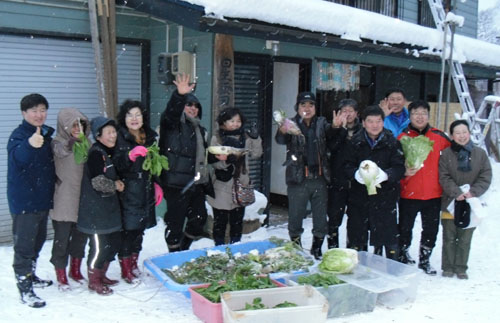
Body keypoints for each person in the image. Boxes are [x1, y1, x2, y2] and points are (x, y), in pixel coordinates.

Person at [7, 93, 55, 308]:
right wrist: (30, 143)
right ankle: (25, 290)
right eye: (34, 110)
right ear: (24, 113)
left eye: (42, 110)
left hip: (42, 200)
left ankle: (31, 275)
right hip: (25, 202)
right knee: (24, 247)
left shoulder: (45, 135)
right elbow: (20, 157)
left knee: (37, 242)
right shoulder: (18, 136)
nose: (39, 114)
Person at [275, 91, 335, 260]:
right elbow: (280, 140)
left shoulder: (322, 123)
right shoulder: (290, 123)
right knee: (295, 216)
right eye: (303, 105)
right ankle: (296, 248)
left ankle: (317, 248)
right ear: (297, 107)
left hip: (320, 179)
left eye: (311, 105)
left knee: (320, 218)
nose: (307, 108)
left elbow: (332, 136)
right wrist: (282, 130)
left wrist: (337, 126)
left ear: (316, 107)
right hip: (298, 178)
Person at [159, 74, 212, 252]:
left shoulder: (200, 129)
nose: (193, 108)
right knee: (175, 222)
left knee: (199, 219)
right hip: (175, 183)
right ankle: (173, 254)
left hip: (195, 182)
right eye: (189, 104)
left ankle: (183, 247)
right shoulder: (172, 125)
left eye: (196, 106)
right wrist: (179, 96)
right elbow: (171, 113)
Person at [343, 105, 405, 259]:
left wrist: (386, 175)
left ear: (383, 123)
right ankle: (357, 266)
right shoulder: (355, 142)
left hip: (385, 198)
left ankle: (391, 269)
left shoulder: (392, 143)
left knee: (388, 236)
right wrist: (355, 174)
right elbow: (345, 165)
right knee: (357, 236)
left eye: (378, 121)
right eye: (370, 121)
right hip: (359, 198)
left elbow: (399, 168)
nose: (374, 125)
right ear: (363, 123)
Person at [397, 100, 451, 275]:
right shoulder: (402, 137)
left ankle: (425, 258)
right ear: (410, 116)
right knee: (405, 227)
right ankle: (403, 252)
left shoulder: (440, 137)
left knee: (431, 229)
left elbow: (453, 157)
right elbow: (394, 163)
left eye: (423, 113)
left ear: (429, 116)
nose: (419, 117)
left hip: (433, 194)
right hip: (408, 193)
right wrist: (403, 171)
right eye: (415, 113)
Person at [114, 100, 160, 283]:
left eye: (138, 115)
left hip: (146, 189)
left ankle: (134, 264)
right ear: (123, 118)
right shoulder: (118, 136)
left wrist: (157, 184)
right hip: (128, 190)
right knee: (129, 230)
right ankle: (125, 268)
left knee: (140, 229)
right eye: (129, 115)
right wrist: (128, 156)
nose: (134, 119)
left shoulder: (149, 137)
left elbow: (156, 164)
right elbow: (115, 164)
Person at [438, 120, 492, 279]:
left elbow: (486, 175)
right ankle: (447, 266)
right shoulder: (446, 154)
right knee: (449, 236)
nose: (461, 136)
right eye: (457, 133)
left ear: (469, 133)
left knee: (465, 237)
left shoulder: (480, 154)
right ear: (452, 135)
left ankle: (461, 267)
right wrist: (456, 192)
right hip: (450, 201)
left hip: (471, 202)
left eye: (464, 132)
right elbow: (443, 176)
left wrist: (473, 192)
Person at [77, 116, 124, 295]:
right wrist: (116, 185)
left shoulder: (107, 153)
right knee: (98, 247)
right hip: (95, 212)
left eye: (114, 132)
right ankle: (94, 280)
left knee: (111, 244)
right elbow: (98, 182)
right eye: (108, 133)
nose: (113, 136)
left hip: (107, 210)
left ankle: (101, 274)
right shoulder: (96, 154)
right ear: (98, 136)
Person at [207, 108, 262, 245]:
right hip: (221, 185)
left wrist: (255, 138)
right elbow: (214, 163)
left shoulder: (246, 137)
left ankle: (235, 247)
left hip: (241, 184)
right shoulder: (217, 138)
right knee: (220, 222)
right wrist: (226, 161)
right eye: (231, 121)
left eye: (238, 121)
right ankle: (219, 249)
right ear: (223, 122)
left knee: (237, 222)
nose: (235, 124)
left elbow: (256, 154)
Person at [50, 108, 90, 290]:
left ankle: (75, 270)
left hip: (82, 200)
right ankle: (61, 274)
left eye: (80, 124)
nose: (77, 128)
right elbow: (61, 152)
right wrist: (71, 143)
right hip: (64, 200)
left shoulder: (87, 143)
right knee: (62, 240)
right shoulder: (58, 143)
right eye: (73, 125)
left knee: (80, 238)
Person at [327, 98, 362, 249]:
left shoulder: (363, 129)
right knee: (334, 217)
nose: (348, 114)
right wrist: (339, 129)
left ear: (356, 113)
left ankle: (352, 248)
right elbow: (331, 148)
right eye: (344, 111)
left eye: (351, 111)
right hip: (337, 181)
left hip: (357, 182)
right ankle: (332, 247)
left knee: (355, 219)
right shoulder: (332, 130)